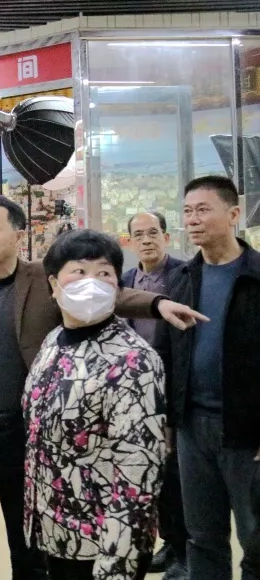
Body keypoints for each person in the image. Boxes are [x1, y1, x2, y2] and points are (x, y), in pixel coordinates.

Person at [0, 195, 204, 580]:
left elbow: (102, 290)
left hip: (26, 435)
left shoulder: (44, 278)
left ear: (18, 235)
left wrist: (156, 305)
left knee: (28, 547)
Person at [24, 229, 167, 580]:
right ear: (54, 284)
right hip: (55, 531)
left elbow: (138, 471)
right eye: (79, 271)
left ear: (117, 285)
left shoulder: (133, 360)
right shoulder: (54, 342)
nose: (92, 283)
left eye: (104, 273)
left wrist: (116, 562)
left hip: (104, 542)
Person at [155, 175, 260, 580]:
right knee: (201, 536)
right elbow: (167, 353)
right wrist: (169, 421)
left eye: (203, 210)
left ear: (233, 214)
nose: (192, 220)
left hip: (246, 431)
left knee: (256, 537)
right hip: (192, 428)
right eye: (187, 211)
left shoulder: (255, 275)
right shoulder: (182, 278)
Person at [120, 211, 187, 579]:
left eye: (153, 233)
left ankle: (184, 550)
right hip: (136, 397)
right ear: (129, 241)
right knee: (151, 476)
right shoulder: (126, 281)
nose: (146, 240)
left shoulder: (183, 276)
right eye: (139, 235)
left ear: (166, 236)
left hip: (172, 392)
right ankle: (169, 543)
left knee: (177, 478)